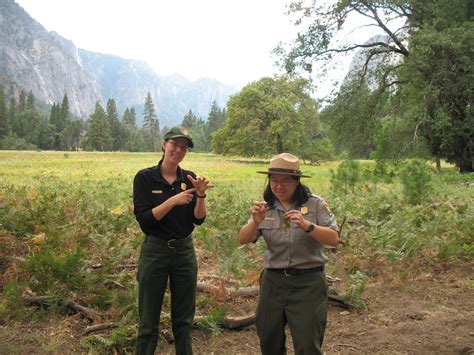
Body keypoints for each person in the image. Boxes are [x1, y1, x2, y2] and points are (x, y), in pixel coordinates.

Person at [239, 152, 339, 355]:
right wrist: (256, 222)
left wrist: (308, 226)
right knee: (269, 339)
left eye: (285, 180)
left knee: (307, 344)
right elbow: (243, 239)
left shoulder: (315, 204)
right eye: (274, 180)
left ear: (297, 182)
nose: (279, 186)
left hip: (308, 283)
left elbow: (334, 239)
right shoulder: (265, 208)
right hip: (273, 282)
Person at [133, 126, 210, 355]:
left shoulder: (189, 177)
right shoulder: (145, 177)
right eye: (175, 145)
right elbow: (146, 221)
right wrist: (173, 200)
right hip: (155, 251)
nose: (178, 150)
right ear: (163, 145)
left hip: (184, 252)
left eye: (183, 147)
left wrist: (201, 195)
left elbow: (199, 219)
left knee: (184, 321)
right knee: (148, 321)